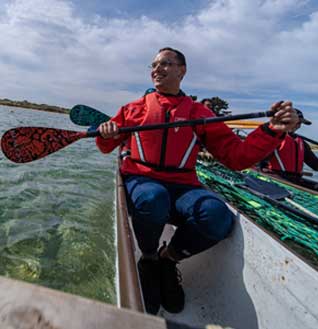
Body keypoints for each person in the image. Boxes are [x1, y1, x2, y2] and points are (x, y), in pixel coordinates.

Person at [95, 47, 298, 315]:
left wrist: (272, 130)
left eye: (165, 63)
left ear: (182, 71)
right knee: (152, 198)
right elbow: (106, 146)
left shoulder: (199, 113)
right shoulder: (133, 109)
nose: (157, 69)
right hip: (142, 180)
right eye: (153, 65)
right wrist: (106, 133)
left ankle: (168, 260)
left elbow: (237, 157)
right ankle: (148, 258)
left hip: (183, 186)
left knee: (217, 217)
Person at [259, 109, 318, 192]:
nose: (297, 125)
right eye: (295, 122)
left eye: (299, 123)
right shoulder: (273, 138)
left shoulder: (302, 143)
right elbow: (257, 161)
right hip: (276, 178)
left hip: (295, 180)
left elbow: (317, 165)